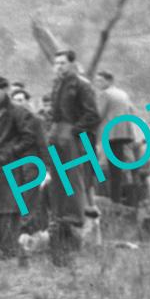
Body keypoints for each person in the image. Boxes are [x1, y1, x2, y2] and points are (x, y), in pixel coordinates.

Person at [0, 74, 39, 260]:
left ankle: (9, 250)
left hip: (8, 166)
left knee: (8, 209)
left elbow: (29, 137)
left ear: (5, 90)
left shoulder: (17, 112)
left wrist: (9, 153)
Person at [47, 49, 101, 264]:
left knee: (73, 180)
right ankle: (60, 224)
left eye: (62, 63)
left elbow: (92, 115)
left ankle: (73, 224)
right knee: (58, 182)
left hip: (71, 138)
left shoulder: (81, 84)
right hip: (56, 136)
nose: (58, 66)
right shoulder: (57, 84)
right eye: (56, 63)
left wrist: (73, 131)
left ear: (72, 63)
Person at [94, 70, 140, 206]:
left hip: (110, 134)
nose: (98, 83)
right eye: (97, 81)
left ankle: (114, 199)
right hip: (124, 133)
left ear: (109, 81)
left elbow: (98, 115)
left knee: (107, 167)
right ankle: (119, 199)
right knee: (118, 168)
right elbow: (132, 111)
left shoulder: (105, 94)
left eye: (100, 81)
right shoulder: (123, 94)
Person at [11, 87, 50, 233]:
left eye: (20, 100)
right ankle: (22, 232)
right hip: (15, 165)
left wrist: (47, 167)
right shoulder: (10, 121)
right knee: (19, 199)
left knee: (30, 199)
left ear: (27, 102)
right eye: (14, 101)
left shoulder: (35, 120)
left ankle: (31, 232)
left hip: (32, 163)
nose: (17, 103)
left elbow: (43, 143)